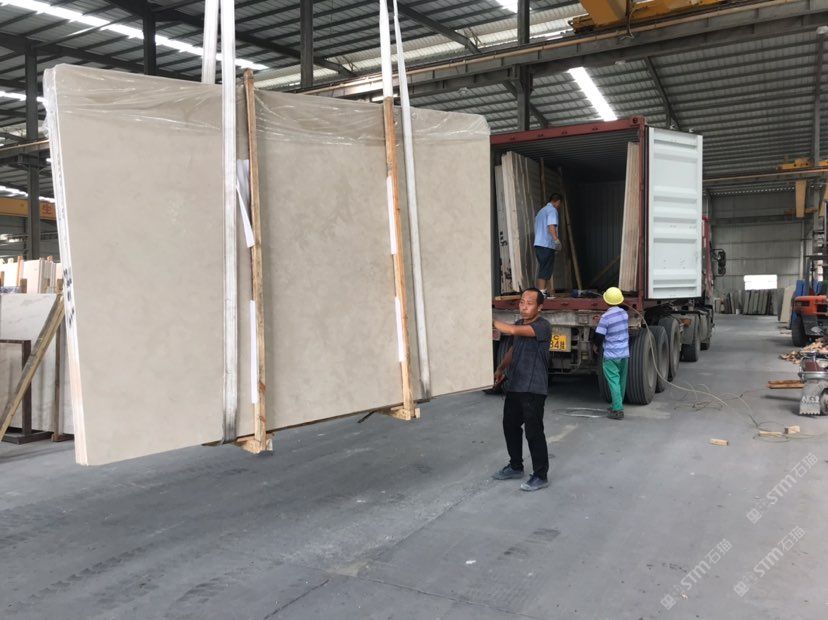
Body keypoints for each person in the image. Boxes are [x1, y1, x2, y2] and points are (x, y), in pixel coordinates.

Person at [491, 288, 552, 491]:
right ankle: (515, 466)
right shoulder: (519, 324)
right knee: (510, 425)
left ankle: (541, 475)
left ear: (539, 307)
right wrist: (501, 368)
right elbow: (513, 348)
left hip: (533, 389)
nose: (524, 307)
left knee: (534, 432)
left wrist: (488, 319)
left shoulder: (543, 326)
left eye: (530, 303)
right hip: (516, 385)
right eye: (522, 302)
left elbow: (512, 331)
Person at [592, 287, 630, 420]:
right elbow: (616, 320)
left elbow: (599, 336)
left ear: (606, 301)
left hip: (611, 355)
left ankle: (618, 410)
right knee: (621, 381)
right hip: (624, 353)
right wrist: (602, 320)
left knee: (613, 381)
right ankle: (617, 405)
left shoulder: (606, 318)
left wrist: (595, 346)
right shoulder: (624, 314)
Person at [534, 194, 562, 297]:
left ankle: (547, 292)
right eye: (559, 204)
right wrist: (556, 240)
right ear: (558, 201)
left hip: (539, 244)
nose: (559, 206)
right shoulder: (552, 210)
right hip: (546, 244)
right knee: (545, 268)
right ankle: (541, 293)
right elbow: (551, 226)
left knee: (546, 268)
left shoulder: (541, 211)